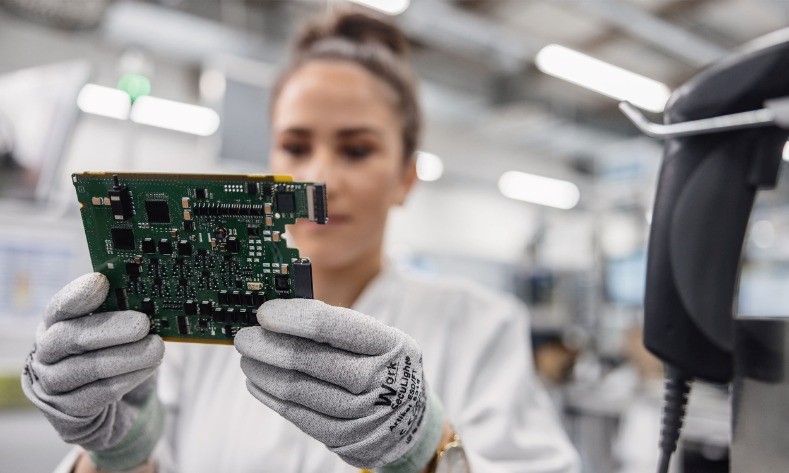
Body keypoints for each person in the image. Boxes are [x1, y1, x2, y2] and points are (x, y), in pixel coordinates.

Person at [22, 8, 580, 473]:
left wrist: (426, 450)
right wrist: (117, 451)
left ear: (406, 177)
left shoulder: (480, 326)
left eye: (356, 149)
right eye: (295, 145)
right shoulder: (194, 330)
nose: (320, 179)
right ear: (270, 163)